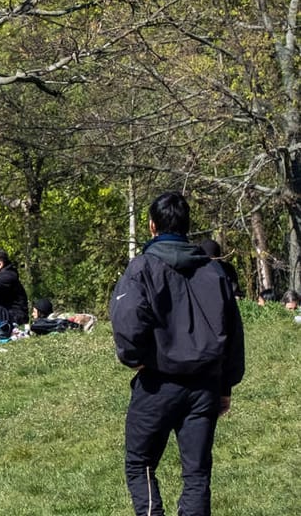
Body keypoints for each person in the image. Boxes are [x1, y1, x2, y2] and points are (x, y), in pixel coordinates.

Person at [111, 190, 245, 516]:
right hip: (205, 386)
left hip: (158, 382)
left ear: (152, 226)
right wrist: (226, 385)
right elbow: (233, 333)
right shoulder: (214, 273)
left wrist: (135, 357)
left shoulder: (142, 268)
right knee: (197, 473)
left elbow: (127, 319)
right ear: (186, 226)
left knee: (140, 463)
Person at [28, 297, 97, 335]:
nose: (32, 314)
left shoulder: (54, 319)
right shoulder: (53, 319)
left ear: (41, 312)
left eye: (34, 312)